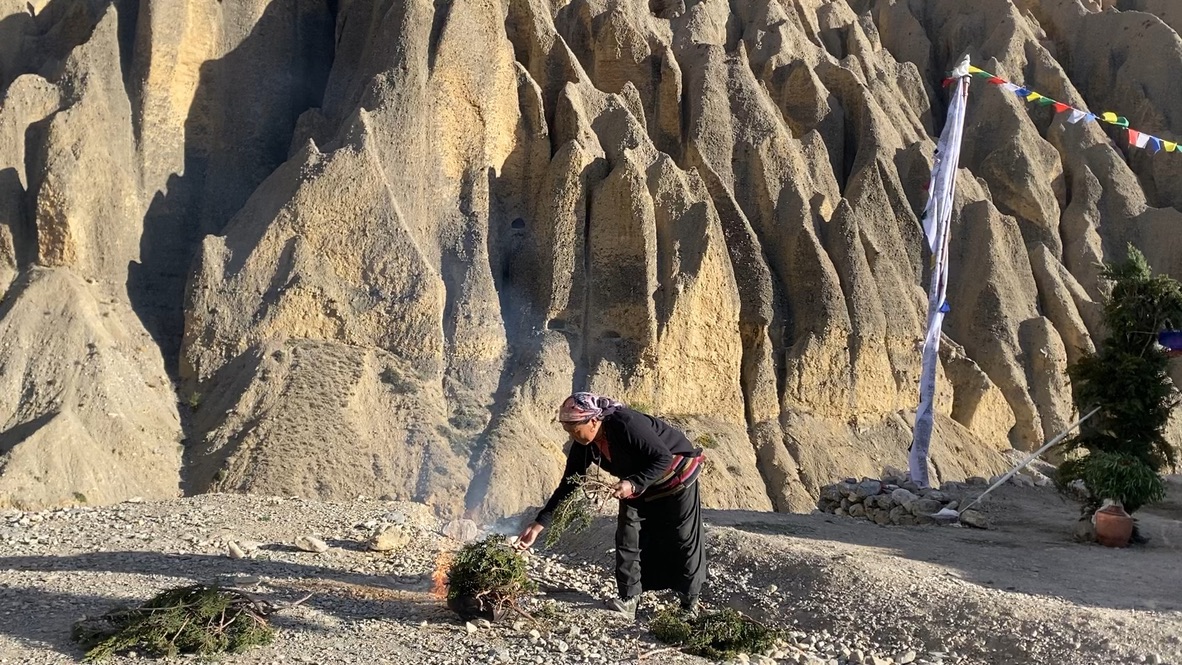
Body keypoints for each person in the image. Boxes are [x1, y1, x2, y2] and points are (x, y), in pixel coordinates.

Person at [514, 392, 707, 618]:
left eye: (575, 428)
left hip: (675, 476)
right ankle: (629, 599)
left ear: (593, 420)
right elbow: (569, 484)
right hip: (637, 482)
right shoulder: (585, 444)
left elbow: (662, 458)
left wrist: (633, 484)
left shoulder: (626, 423)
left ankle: (689, 605)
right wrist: (538, 524)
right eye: (568, 430)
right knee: (627, 535)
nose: (572, 435)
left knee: (682, 537)